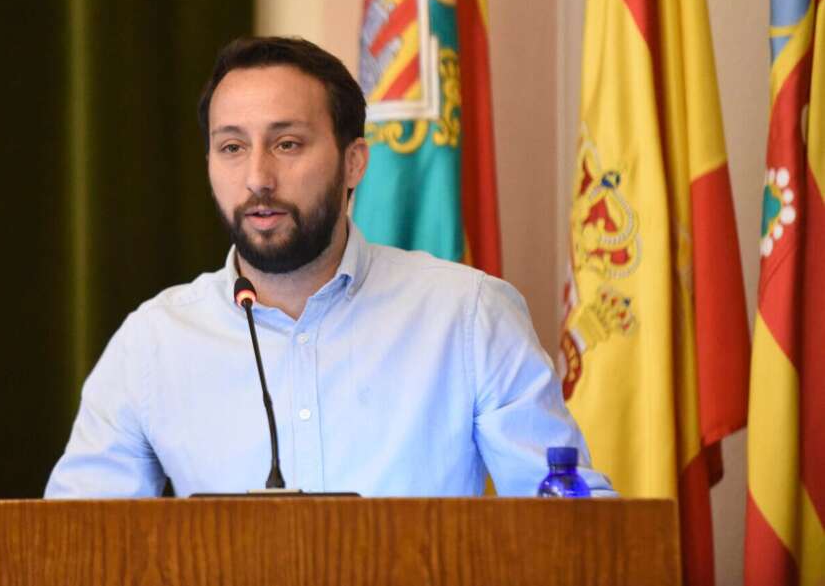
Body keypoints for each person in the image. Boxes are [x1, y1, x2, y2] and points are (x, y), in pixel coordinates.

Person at [45, 36, 614, 498]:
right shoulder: (154, 342)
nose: (258, 178)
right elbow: (74, 544)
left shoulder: (467, 317)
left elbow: (571, 528)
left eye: (288, 144)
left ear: (354, 162)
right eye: (232, 147)